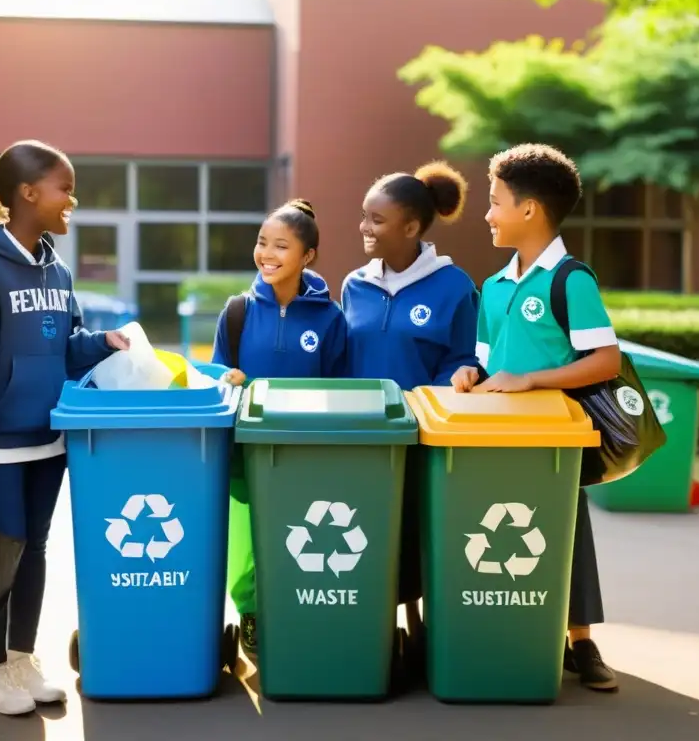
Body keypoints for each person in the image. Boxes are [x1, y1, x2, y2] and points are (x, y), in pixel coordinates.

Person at [0, 140, 130, 716]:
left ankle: (20, 658)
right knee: (1, 556)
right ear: (26, 194)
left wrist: (102, 343)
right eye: (65, 187)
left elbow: (62, 348)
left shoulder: (56, 269)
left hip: (50, 437)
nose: (73, 199)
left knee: (33, 551)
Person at [456, 143, 620, 692]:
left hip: (553, 440)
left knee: (567, 535)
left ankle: (581, 642)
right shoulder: (495, 286)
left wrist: (532, 380)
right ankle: (504, 627)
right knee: (490, 525)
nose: (487, 212)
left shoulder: (571, 279)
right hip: (490, 436)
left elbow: (605, 360)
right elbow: (484, 360)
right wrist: (468, 375)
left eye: (495, 200)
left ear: (529, 210)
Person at [340, 161, 480, 661]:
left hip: (422, 438)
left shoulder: (454, 286)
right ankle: (371, 634)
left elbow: (463, 359)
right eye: (364, 217)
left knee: (417, 534)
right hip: (362, 439)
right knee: (366, 534)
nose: (364, 228)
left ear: (411, 228)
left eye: (376, 220)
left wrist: (448, 388)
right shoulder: (355, 284)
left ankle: (420, 632)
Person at [212, 198, 347, 659]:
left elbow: (341, 386)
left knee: (300, 535)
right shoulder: (237, 312)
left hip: (304, 452)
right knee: (245, 545)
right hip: (245, 452)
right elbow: (218, 377)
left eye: (281, 246)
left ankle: (295, 609)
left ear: (307, 256)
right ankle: (251, 613)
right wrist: (228, 380)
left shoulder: (329, 318)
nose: (267, 254)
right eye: (262, 243)